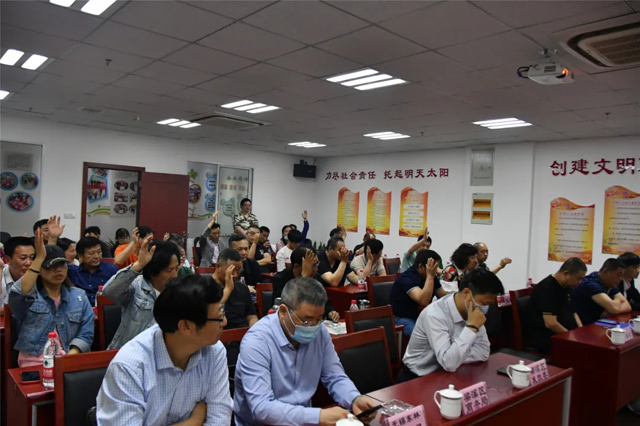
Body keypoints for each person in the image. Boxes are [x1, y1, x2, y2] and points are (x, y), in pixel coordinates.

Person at [233, 277, 378, 426]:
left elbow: (335, 376)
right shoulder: (256, 342)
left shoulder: (320, 332)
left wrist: (354, 399)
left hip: (305, 420)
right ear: (283, 312)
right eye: (306, 320)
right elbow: (262, 408)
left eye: (319, 319)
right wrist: (318, 416)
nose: (312, 326)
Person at [97, 274, 233, 425]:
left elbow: (220, 420)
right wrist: (194, 421)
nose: (224, 322)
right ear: (186, 326)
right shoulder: (129, 366)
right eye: (219, 317)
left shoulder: (214, 351)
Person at [398, 269, 503, 382]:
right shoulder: (435, 315)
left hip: (448, 374)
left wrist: (454, 357)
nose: (486, 308)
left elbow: (483, 352)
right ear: (466, 294)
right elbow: (449, 363)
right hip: (417, 378)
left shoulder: (472, 311)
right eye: (484, 303)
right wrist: (471, 327)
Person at [9, 230, 94, 367]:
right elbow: (19, 293)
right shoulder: (30, 298)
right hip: (34, 361)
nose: (58, 270)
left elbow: (86, 333)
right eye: (51, 266)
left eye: (62, 265)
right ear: (39, 270)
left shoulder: (79, 296)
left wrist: (69, 358)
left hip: (69, 359)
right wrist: (38, 259)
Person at [102, 237, 183, 349]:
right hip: (131, 352)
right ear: (154, 270)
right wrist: (139, 264)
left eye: (176, 269)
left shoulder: (178, 292)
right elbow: (109, 291)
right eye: (169, 270)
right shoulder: (136, 286)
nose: (174, 275)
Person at [528, 258, 586, 354]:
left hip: (566, 334)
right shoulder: (546, 288)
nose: (580, 282)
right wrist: (571, 338)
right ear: (566, 274)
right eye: (578, 278)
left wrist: (580, 331)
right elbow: (551, 324)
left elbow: (574, 313)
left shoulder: (567, 287)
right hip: (547, 338)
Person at [273, 247, 340, 322]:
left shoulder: (316, 277)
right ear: (296, 266)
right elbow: (289, 306)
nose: (316, 269)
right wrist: (304, 278)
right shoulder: (280, 279)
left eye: (317, 264)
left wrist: (330, 312)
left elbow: (325, 303)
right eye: (312, 266)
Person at [390, 250, 447, 337]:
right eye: (433, 267)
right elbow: (423, 301)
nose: (436, 271)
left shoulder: (430, 276)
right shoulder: (407, 278)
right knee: (422, 337)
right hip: (402, 317)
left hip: (421, 315)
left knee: (444, 330)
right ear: (420, 266)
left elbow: (443, 297)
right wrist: (430, 277)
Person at [573, 258, 631, 325]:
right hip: (584, 325)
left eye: (622, 276)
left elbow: (627, 306)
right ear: (605, 271)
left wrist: (612, 310)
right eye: (618, 275)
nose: (620, 279)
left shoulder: (609, 283)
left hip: (599, 323)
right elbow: (614, 309)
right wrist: (617, 301)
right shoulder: (591, 283)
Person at [211, 248, 257, 330]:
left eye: (238, 270)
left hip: (244, 332)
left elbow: (251, 316)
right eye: (231, 270)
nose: (235, 275)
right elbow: (211, 314)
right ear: (218, 266)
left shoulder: (242, 287)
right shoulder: (205, 287)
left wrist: (255, 330)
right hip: (220, 333)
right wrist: (228, 289)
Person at [67, 237, 119, 306]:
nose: (97, 256)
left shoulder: (111, 270)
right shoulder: (74, 272)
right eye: (92, 253)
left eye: (99, 252)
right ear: (80, 256)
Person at [1, 236, 35, 313]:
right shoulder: (1, 277)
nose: (29, 263)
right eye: (23, 258)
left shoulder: (39, 277)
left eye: (32, 258)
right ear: (7, 259)